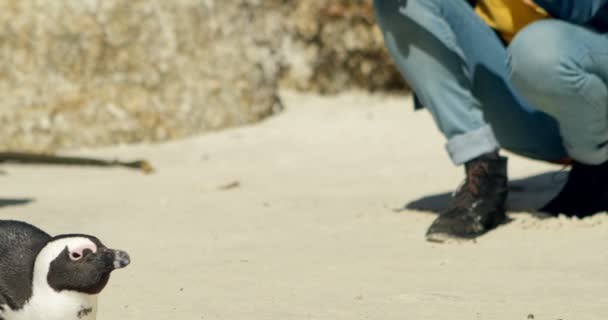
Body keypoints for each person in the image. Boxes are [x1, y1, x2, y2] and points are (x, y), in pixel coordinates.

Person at [373, 0, 608, 242]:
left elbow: (580, 8)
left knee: (537, 48)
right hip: (529, 103)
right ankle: (482, 171)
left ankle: (595, 165)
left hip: (587, 73)